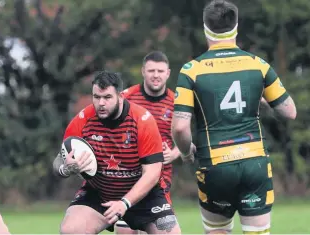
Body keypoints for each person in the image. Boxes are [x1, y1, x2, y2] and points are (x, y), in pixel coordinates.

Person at [171, 1, 297, 234]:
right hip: (254, 162)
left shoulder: (191, 70)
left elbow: (179, 128)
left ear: (205, 28)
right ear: (236, 27)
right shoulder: (257, 64)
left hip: (215, 165)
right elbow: (289, 111)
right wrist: (263, 104)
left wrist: (187, 151)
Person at [52, 71, 169, 234]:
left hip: (143, 197)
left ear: (120, 96)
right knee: (71, 230)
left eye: (107, 97)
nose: (100, 103)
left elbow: (153, 173)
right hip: (100, 193)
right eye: (96, 97)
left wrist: (124, 203)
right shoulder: (83, 120)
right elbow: (58, 162)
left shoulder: (142, 120)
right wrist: (66, 169)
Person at [117, 51, 182, 234]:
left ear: (168, 73)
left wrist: (175, 153)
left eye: (160, 71)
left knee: (166, 230)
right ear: (143, 71)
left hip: (160, 180)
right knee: (125, 231)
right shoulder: (125, 98)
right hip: (128, 175)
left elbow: (188, 141)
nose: (156, 75)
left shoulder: (177, 102)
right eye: (151, 70)